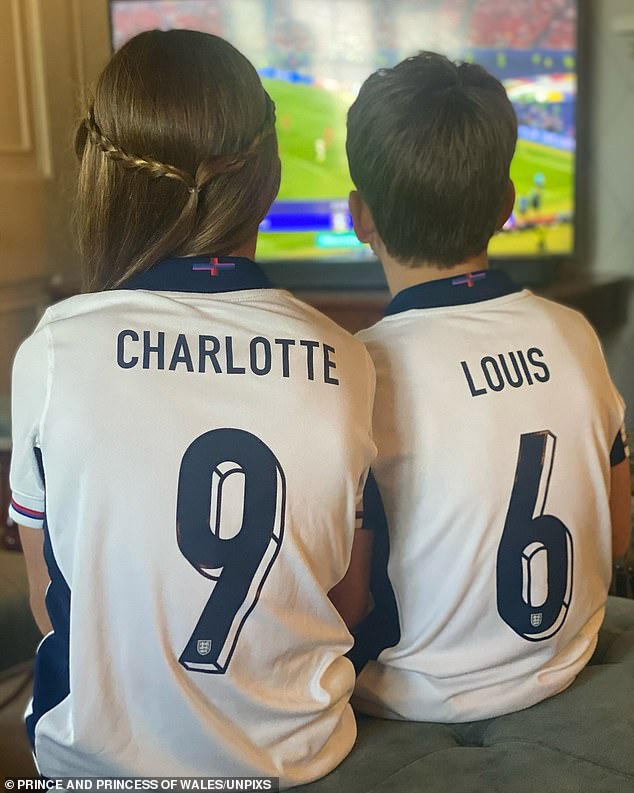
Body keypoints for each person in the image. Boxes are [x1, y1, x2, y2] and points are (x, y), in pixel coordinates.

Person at [9, 30, 376, 783]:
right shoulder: (346, 355)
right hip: (301, 759)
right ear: (265, 180)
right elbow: (348, 598)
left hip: (97, 765)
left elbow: (52, 604)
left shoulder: (53, 348)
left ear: (100, 176)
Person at [342, 51, 631, 722]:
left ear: (360, 215)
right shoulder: (575, 333)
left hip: (407, 700)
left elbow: (343, 598)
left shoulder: (358, 371)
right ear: (507, 205)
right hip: (567, 660)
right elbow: (616, 538)